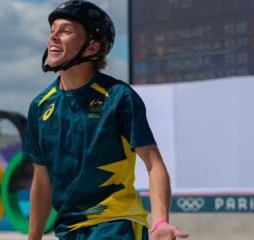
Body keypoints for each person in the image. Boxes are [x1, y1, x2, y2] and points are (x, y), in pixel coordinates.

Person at [24, 1, 189, 239]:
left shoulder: (119, 97)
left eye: (66, 31)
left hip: (116, 224)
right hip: (68, 230)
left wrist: (160, 221)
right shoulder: (40, 106)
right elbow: (41, 180)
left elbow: (154, 165)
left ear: (92, 48)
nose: (54, 37)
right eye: (52, 31)